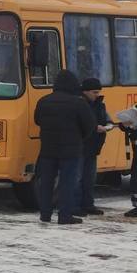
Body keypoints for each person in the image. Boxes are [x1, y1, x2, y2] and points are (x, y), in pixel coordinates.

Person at [33, 69, 96, 224]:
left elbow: (37, 120)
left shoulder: (44, 100)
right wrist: (80, 138)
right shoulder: (78, 103)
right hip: (71, 150)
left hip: (48, 149)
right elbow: (90, 125)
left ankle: (45, 214)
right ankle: (65, 216)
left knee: (46, 183)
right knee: (67, 183)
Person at [78, 77, 110, 216]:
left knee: (90, 178)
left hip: (93, 147)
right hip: (80, 146)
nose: (97, 95)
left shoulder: (99, 104)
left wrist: (108, 125)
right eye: (94, 92)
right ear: (85, 91)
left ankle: (88, 204)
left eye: (98, 92)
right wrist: (94, 127)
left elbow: (107, 119)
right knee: (78, 178)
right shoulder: (79, 103)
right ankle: (77, 205)